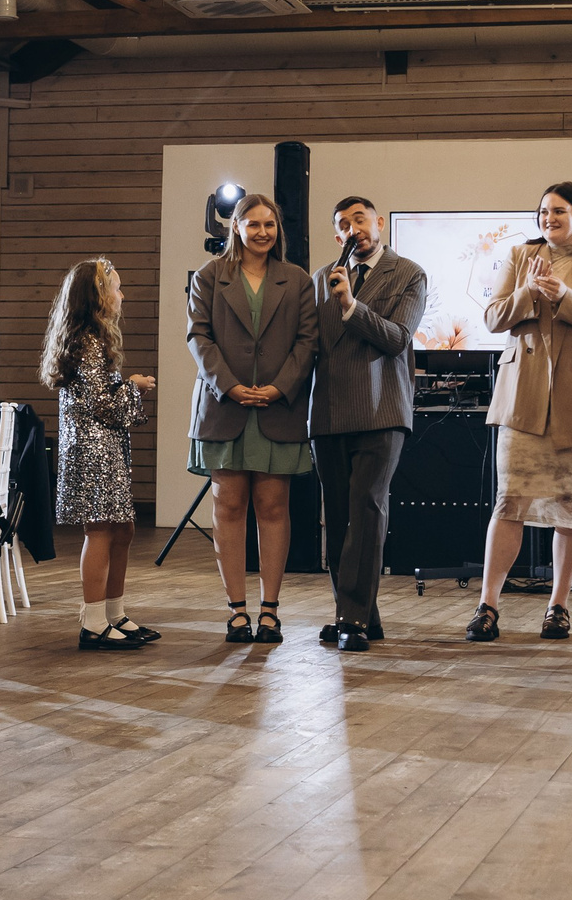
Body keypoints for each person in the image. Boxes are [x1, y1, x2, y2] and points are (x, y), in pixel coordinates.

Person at [465, 182, 572, 643]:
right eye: (542, 211)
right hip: (525, 399)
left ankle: (558, 606)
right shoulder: (520, 256)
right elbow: (494, 319)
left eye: (558, 210)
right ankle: (487, 606)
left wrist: (566, 297)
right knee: (509, 502)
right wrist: (528, 293)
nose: (548, 218)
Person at [187, 191, 318, 645]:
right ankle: (237, 611)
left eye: (270, 225)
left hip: (278, 407)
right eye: (254, 224)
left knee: (273, 506)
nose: (263, 232)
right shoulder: (209, 276)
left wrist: (281, 386)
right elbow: (197, 337)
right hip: (224, 405)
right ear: (236, 228)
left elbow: (308, 341)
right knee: (227, 505)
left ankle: (270, 611)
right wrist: (228, 384)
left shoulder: (297, 279)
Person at [309, 195, 427, 651]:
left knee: (368, 508)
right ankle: (358, 614)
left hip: (382, 408)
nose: (353, 227)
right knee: (337, 518)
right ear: (337, 236)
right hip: (329, 411)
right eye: (343, 223)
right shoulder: (322, 277)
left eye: (360, 218)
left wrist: (351, 305)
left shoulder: (408, 273)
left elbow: (398, 338)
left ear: (378, 223)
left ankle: (351, 617)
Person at [44, 258, 156, 650]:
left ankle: (115, 612)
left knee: (123, 529)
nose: (122, 295)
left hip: (104, 448)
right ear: (98, 297)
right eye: (117, 288)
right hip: (92, 451)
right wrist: (134, 386)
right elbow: (102, 404)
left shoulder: (94, 339)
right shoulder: (86, 342)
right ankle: (93, 620)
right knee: (101, 531)